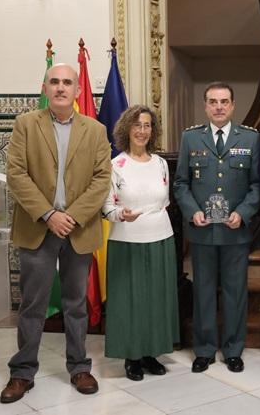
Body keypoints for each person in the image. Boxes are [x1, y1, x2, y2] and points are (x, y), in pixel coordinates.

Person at [1, 63, 111, 403]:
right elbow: (16, 174)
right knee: (33, 305)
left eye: (67, 82)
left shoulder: (95, 130)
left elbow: (101, 180)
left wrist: (71, 217)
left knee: (76, 304)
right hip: (38, 227)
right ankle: (22, 373)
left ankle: (79, 367)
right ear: (45, 88)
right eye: (54, 82)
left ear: (78, 91)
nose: (61, 87)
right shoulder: (25, 125)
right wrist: (49, 214)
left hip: (78, 229)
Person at [174, 82, 260, 373]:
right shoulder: (191, 138)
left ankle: (234, 349)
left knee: (236, 292)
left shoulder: (249, 138)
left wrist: (243, 212)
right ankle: (205, 349)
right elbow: (181, 183)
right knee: (204, 291)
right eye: (213, 101)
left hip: (236, 230)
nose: (219, 107)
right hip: (202, 231)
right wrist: (192, 211)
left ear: (233, 105)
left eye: (224, 101)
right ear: (206, 105)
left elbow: (257, 185)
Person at [102, 105, 179, 381]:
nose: (142, 131)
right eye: (137, 125)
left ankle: (151, 353)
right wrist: (119, 214)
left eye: (147, 125)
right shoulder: (115, 166)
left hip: (161, 238)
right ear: (126, 129)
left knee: (156, 299)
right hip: (126, 240)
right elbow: (107, 206)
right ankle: (132, 357)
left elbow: (165, 201)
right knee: (130, 300)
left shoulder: (160, 164)